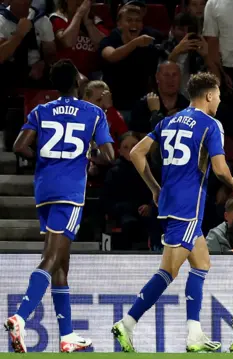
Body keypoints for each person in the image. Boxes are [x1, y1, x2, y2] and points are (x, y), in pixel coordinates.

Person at [111, 72, 233, 353]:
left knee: (201, 264)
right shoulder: (211, 124)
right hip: (187, 207)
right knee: (168, 271)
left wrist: (155, 188)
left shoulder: (168, 121)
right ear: (208, 95)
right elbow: (220, 168)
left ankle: (194, 334)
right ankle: (128, 321)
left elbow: (136, 153)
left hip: (172, 202)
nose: (219, 100)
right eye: (218, 95)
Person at [7, 59, 114, 353]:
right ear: (77, 82)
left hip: (44, 188)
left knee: (61, 264)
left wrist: (44, 160)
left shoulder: (41, 109)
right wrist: (86, 155)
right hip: (70, 190)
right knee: (52, 257)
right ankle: (21, 316)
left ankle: (67, 335)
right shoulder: (93, 112)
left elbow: (19, 145)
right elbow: (109, 155)